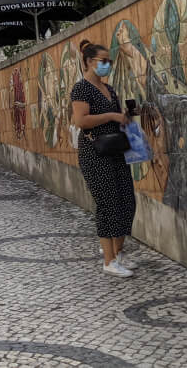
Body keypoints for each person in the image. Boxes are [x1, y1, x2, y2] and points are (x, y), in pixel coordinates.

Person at [71, 39, 137, 278]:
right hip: (95, 151)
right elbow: (81, 120)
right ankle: (108, 260)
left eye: (109, 61)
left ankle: (118, 253)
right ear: (89, 62)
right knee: (108, 204)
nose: (107, 65)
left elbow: (116, 117)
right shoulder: (82, 89)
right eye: (103, 61)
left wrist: (125, 116)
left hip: (116, 149)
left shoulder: (109, 89)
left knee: (127, 202)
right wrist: (110, 115)